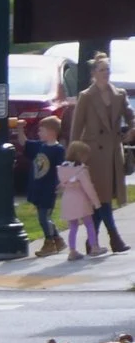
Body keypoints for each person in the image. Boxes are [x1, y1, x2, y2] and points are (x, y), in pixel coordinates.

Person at [70, 53, 128, 255]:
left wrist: (129, 132)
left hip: (112, 154)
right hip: (93, 155)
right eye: (101, 70)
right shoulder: (86, 96)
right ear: (94, 73)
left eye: (107, 70)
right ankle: (115, 238)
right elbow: (77, 127)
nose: (105, 73)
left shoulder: (119, 94)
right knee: (100, 198)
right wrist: (73, 157)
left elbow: (130, 117)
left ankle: (91, 241)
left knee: (102, 199)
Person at [28, 116, 67, 257]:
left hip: (49, 188)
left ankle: (49, 243)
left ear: (52, 132)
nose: (39, 133)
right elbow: (23, 143)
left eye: (42, 130)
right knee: (43, 216)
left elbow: (61, 168)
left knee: (44, 217)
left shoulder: (58, 150)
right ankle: (58, 240)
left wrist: (60, 183)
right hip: (38, 187)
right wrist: (19, 128)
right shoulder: (40, 146)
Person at [63, 142, 104, 259]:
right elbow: (88, 188)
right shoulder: (81, 170)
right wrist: (96, 202)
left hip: (67, 200)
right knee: (89, 224)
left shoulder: (63, 168)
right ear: (81, 155)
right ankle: (94, 247)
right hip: (81, 200)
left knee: (73, 226)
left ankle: (72, 250)